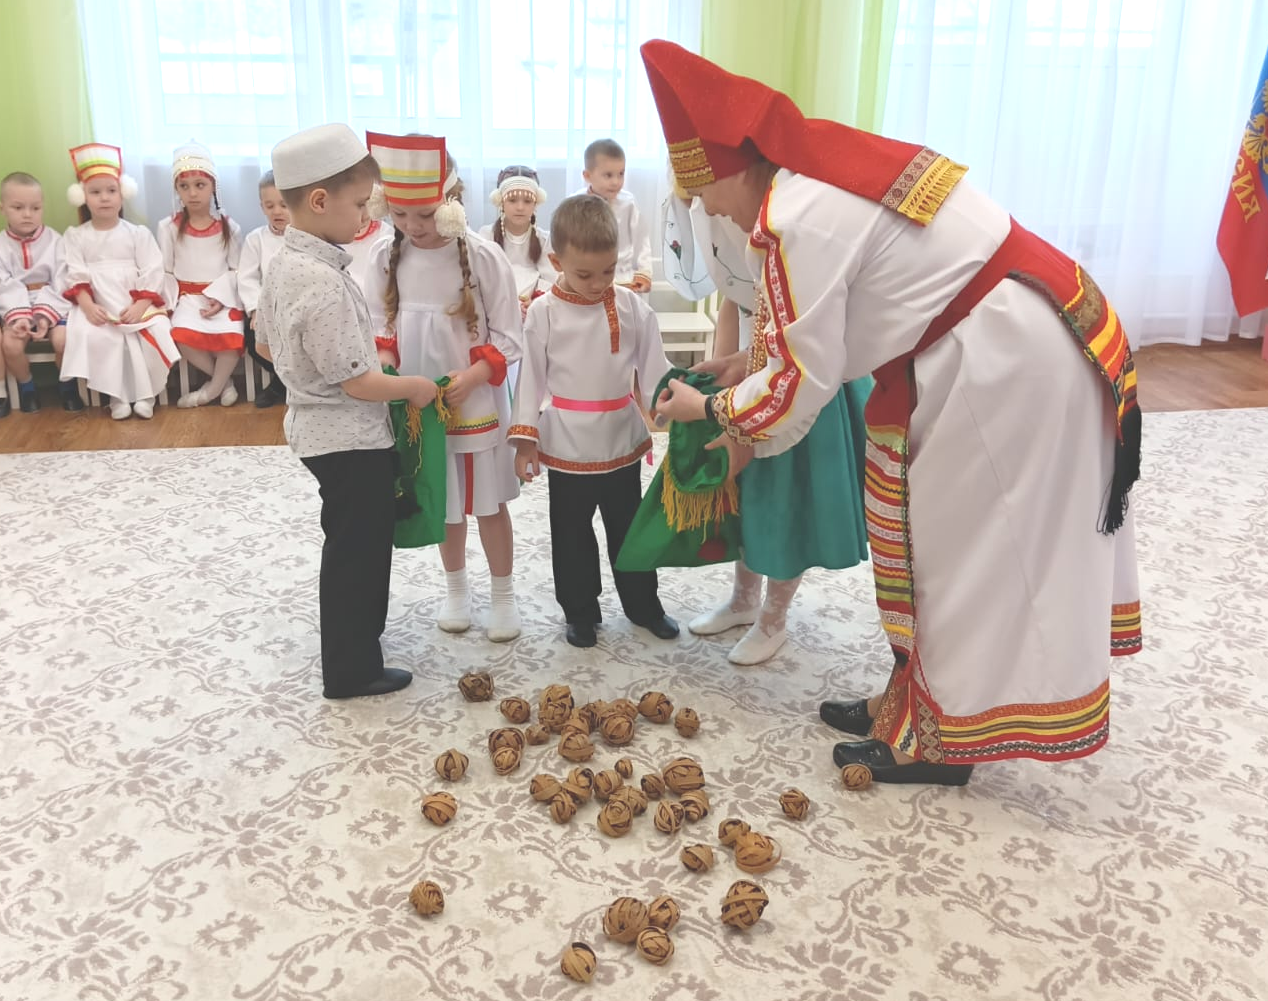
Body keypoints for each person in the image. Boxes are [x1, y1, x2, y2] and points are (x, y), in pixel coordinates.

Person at [642, 40, 1142, 786]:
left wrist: (708, 405)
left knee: (956, 552)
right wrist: (746, 364)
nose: (707, 209)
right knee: (928, 540)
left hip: (1009, 362)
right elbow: (834, 325)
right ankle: (910, 707)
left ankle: (937, 743)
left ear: (731, 168)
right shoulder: (813, 177)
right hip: (1003, 335)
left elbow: (796, 389)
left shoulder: (795, 218)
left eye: (704, 193)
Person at [254, 122, 437, 700]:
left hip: (313, 430)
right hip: (349, 439)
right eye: (359, 204)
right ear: (318, 201)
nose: (365, 216)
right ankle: (353, 669)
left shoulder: (284, 263)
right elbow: (358, 384)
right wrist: (413, 386)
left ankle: (354, 648)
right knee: (359, 553)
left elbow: (264, 344)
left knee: (349, 544)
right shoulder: (323, 281)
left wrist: (307, 373)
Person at [662, 189, 872, 665]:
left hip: (802, 379)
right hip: (755, 368)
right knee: (748, 495)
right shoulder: (715, 212)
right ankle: (743, 599)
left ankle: (774, 618)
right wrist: (724, 371)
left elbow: (802, 345)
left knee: (785, 501)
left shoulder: (793, 225)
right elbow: (733, 300)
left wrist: (721, 403)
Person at [364, 132, 524, 642]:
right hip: (420, 407)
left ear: (451, 202)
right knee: (445, 502)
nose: (413, 227)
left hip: (474, 404)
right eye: (401, 215)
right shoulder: (385, 256)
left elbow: (509, 336)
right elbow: (379, 328)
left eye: (425, 215)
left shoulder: (483, 257)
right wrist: (390, 367)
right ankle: (456, 590)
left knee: (488, 504)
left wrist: (472, 377)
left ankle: (503, 596)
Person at [509, 193, 680, 648]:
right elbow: (530, 379)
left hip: (620, 438)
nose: (598, 283)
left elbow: (654, 366)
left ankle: (644, 606)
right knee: (571, 535)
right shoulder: (543, 312)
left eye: (608, 271)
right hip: (566, 443)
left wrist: (673, 408)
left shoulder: (631, 306)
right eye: (584, 274)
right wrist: (525, 440)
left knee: (630, 529)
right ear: (556, 261)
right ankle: (580, 612)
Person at [59, 143, 178, 421]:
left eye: (111, 191)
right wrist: (88, 307)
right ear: (83, 196)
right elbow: (75, 274)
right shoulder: (76, 236)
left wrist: (141, 305)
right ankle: (118, 395)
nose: (104, 198)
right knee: (100, 336)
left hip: (135, 301)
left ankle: (147, 394)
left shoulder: (137, 233)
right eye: (95, 192)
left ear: (122, 193)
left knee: (156, 329)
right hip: (98, 303)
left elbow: (152, 269)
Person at [156, 141, 245, 408]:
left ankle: (209, 392)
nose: (192, 193)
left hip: (221, 298)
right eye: (184, 186)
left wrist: (220, 298)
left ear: (213, 187)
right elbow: (166, 270)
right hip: (187, 299)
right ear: (177, 190)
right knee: (181, 335)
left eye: (200, 185)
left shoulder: (230, 227)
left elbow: (236, 270)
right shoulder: (168, 227)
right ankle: (223, 384)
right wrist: (168, 304)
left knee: (231, 340)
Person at [0, 171, 80, 413]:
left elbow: (62, 280)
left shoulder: (56, 241)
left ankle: (67, 385)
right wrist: (21, 316)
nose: (27, 214)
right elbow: (3, 283)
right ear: (3, 208)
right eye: (18, 207)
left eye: (35, 208)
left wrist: (44, 316)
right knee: (11, 345)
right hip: (15, 307)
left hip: (52, 304)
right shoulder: (1, 245)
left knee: (64, 340)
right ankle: (28, 388)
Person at [237, 170, 290, 409]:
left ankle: (282, 385)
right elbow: (247, 278)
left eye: (283, 205)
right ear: (262, 207)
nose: (277, 211)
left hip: (299, 307)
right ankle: (283, 381)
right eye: (270, 206)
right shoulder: (255, 239)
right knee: (254, 339)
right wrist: (256, 310)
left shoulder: (308, 235)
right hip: (268, 309)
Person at [479, 165, 557, 315]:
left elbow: (550, 277)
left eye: (527, 201)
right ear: (501, 202)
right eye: (512, 200)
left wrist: (536, 300)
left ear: (535, 204)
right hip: (495, 306)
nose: (520, 207)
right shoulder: (487, 235)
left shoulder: (544, 239)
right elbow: (482, 277)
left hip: (533, 308)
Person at [577, 139, 651, 292]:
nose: (616, 182)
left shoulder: (628, 203)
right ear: (587, 175)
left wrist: (644, 272)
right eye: (608, 175)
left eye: (621, 174)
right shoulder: (575, 204)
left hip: (623, 278)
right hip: (587, 278)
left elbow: (641, 239)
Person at [344, 182, 390, 294]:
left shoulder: (386, 237)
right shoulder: (328, 237)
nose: (363, 215)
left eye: (366, 203)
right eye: (358, 205)